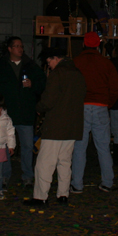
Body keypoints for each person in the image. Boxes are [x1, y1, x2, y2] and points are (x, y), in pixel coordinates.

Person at [23, 47, 85, 206]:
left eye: (49, 61)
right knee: (64, 162)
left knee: (45, 163)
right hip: (73, 126)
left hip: (56, 126)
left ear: (56, 58)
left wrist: (38, 107)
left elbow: (49, 100)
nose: (48, 64)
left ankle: (40, 197)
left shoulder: (57, 74)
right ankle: (63, 194)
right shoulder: (78, 73)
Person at [0, 36, 46, 187]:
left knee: (27, 146)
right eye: (17, 46)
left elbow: (42, 84)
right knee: (6, 146)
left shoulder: (31, 66)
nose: (21, 49)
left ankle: (27, 175)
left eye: (21, 46)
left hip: (25, 114)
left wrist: (33, 85)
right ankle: (5, 176)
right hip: (7, 114)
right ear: (10, 49)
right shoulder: (1, 67)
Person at [71, 32, 118, 193]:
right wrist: (107, 103)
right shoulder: (105, 63)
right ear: (98, 46)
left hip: (81, 107)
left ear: (84, 45)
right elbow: (115, 87)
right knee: (103, 147)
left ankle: (77, 184)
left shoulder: (76, 62)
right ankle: (107, 181)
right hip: (100, 107)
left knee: (79, 148)